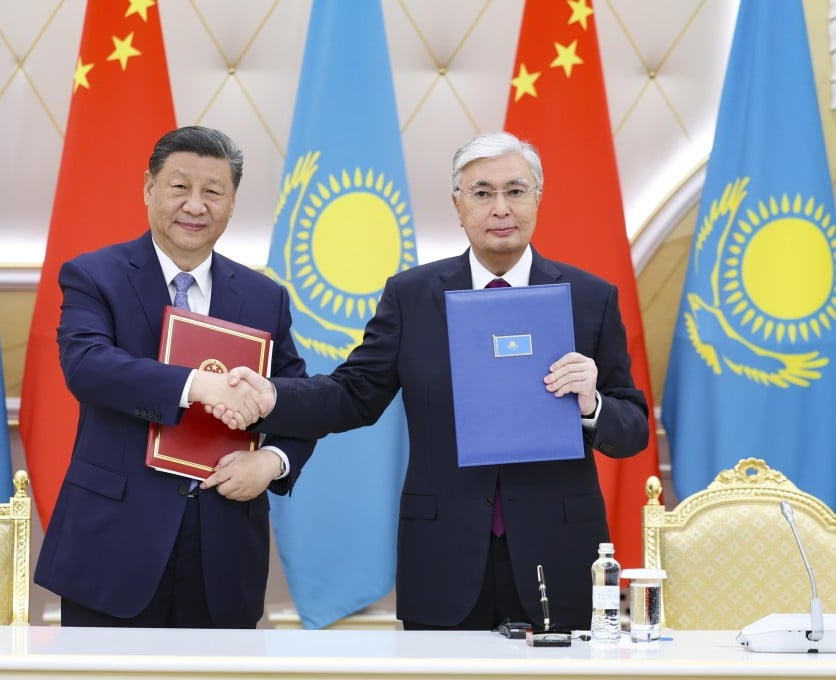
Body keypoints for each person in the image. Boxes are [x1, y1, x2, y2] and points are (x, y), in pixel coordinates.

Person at [208, 130, 649, 631]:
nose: (500, 207)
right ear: (458, 206)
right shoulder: (412, 297)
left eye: (516, 191)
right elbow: (355, 394)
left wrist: (592, 404)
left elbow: (632, 428)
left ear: (538, 198)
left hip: (560, 552)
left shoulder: (590, 298)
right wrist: (273, 396)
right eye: (482, 193)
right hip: (444, 553)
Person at [34, 126, 316, 629]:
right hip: (115, 544)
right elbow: (88, 366)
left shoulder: (263, 297)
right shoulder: (94, 275)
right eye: (179, 187)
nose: (195, 205)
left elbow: (298, 401)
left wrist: (273, 462)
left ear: (231, 204)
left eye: (213, 192)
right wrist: (196, 385)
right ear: (148, 188)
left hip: (224, 546)